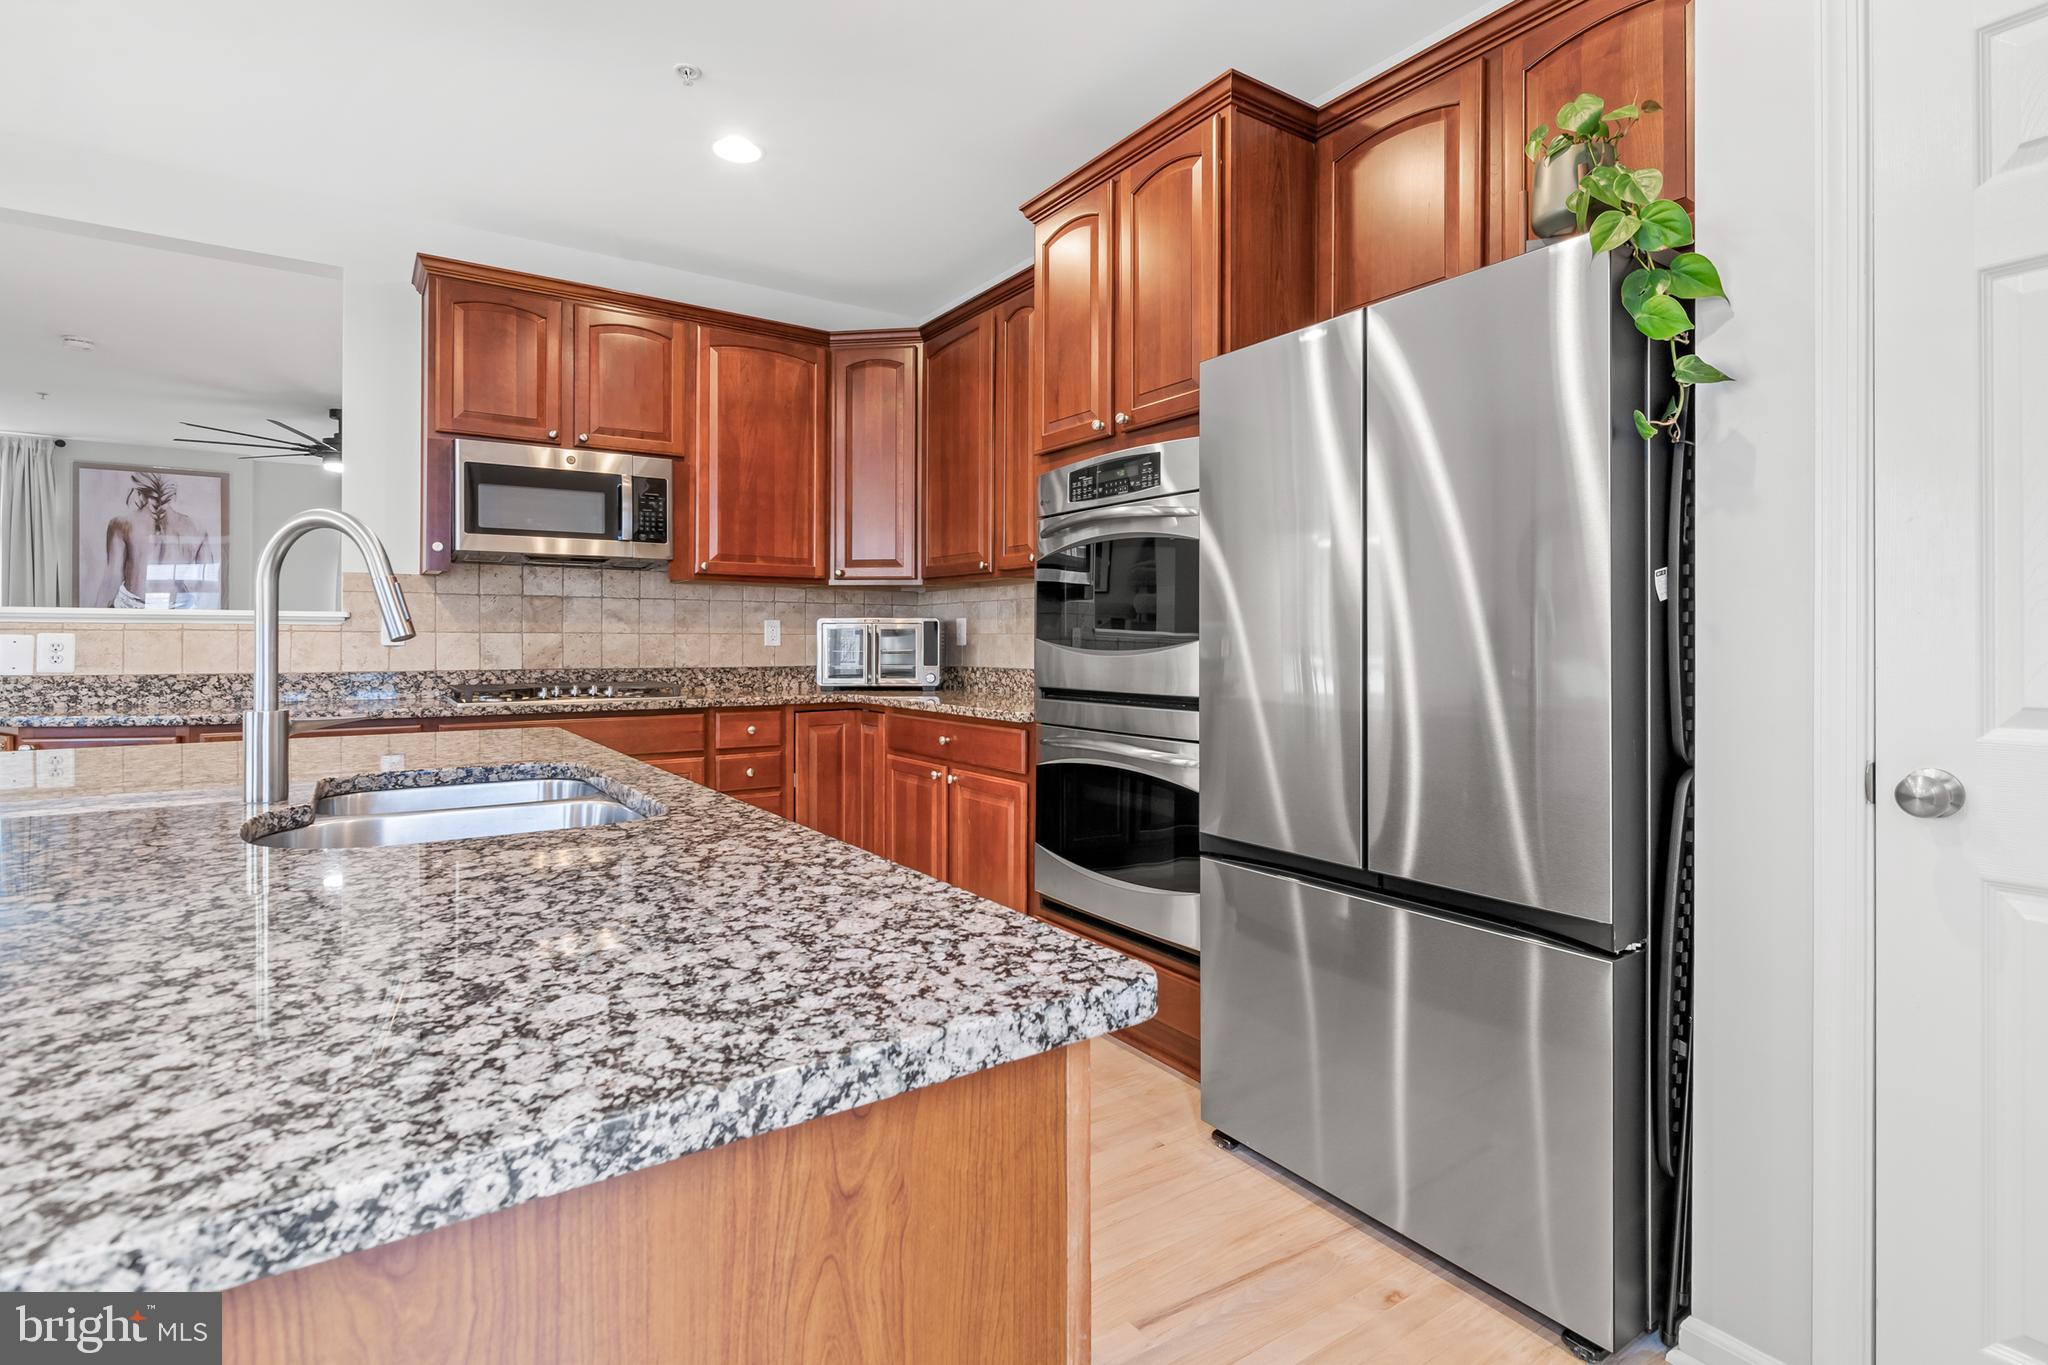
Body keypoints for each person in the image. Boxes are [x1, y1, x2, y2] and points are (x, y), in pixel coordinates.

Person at [92, 470, 218, 609]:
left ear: (138, 492)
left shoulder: (121, 524)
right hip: (180, 610)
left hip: (131, 610)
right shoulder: (196, 528)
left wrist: (92, 623)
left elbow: (111, 580)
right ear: (172, 494)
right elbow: (208, 586)